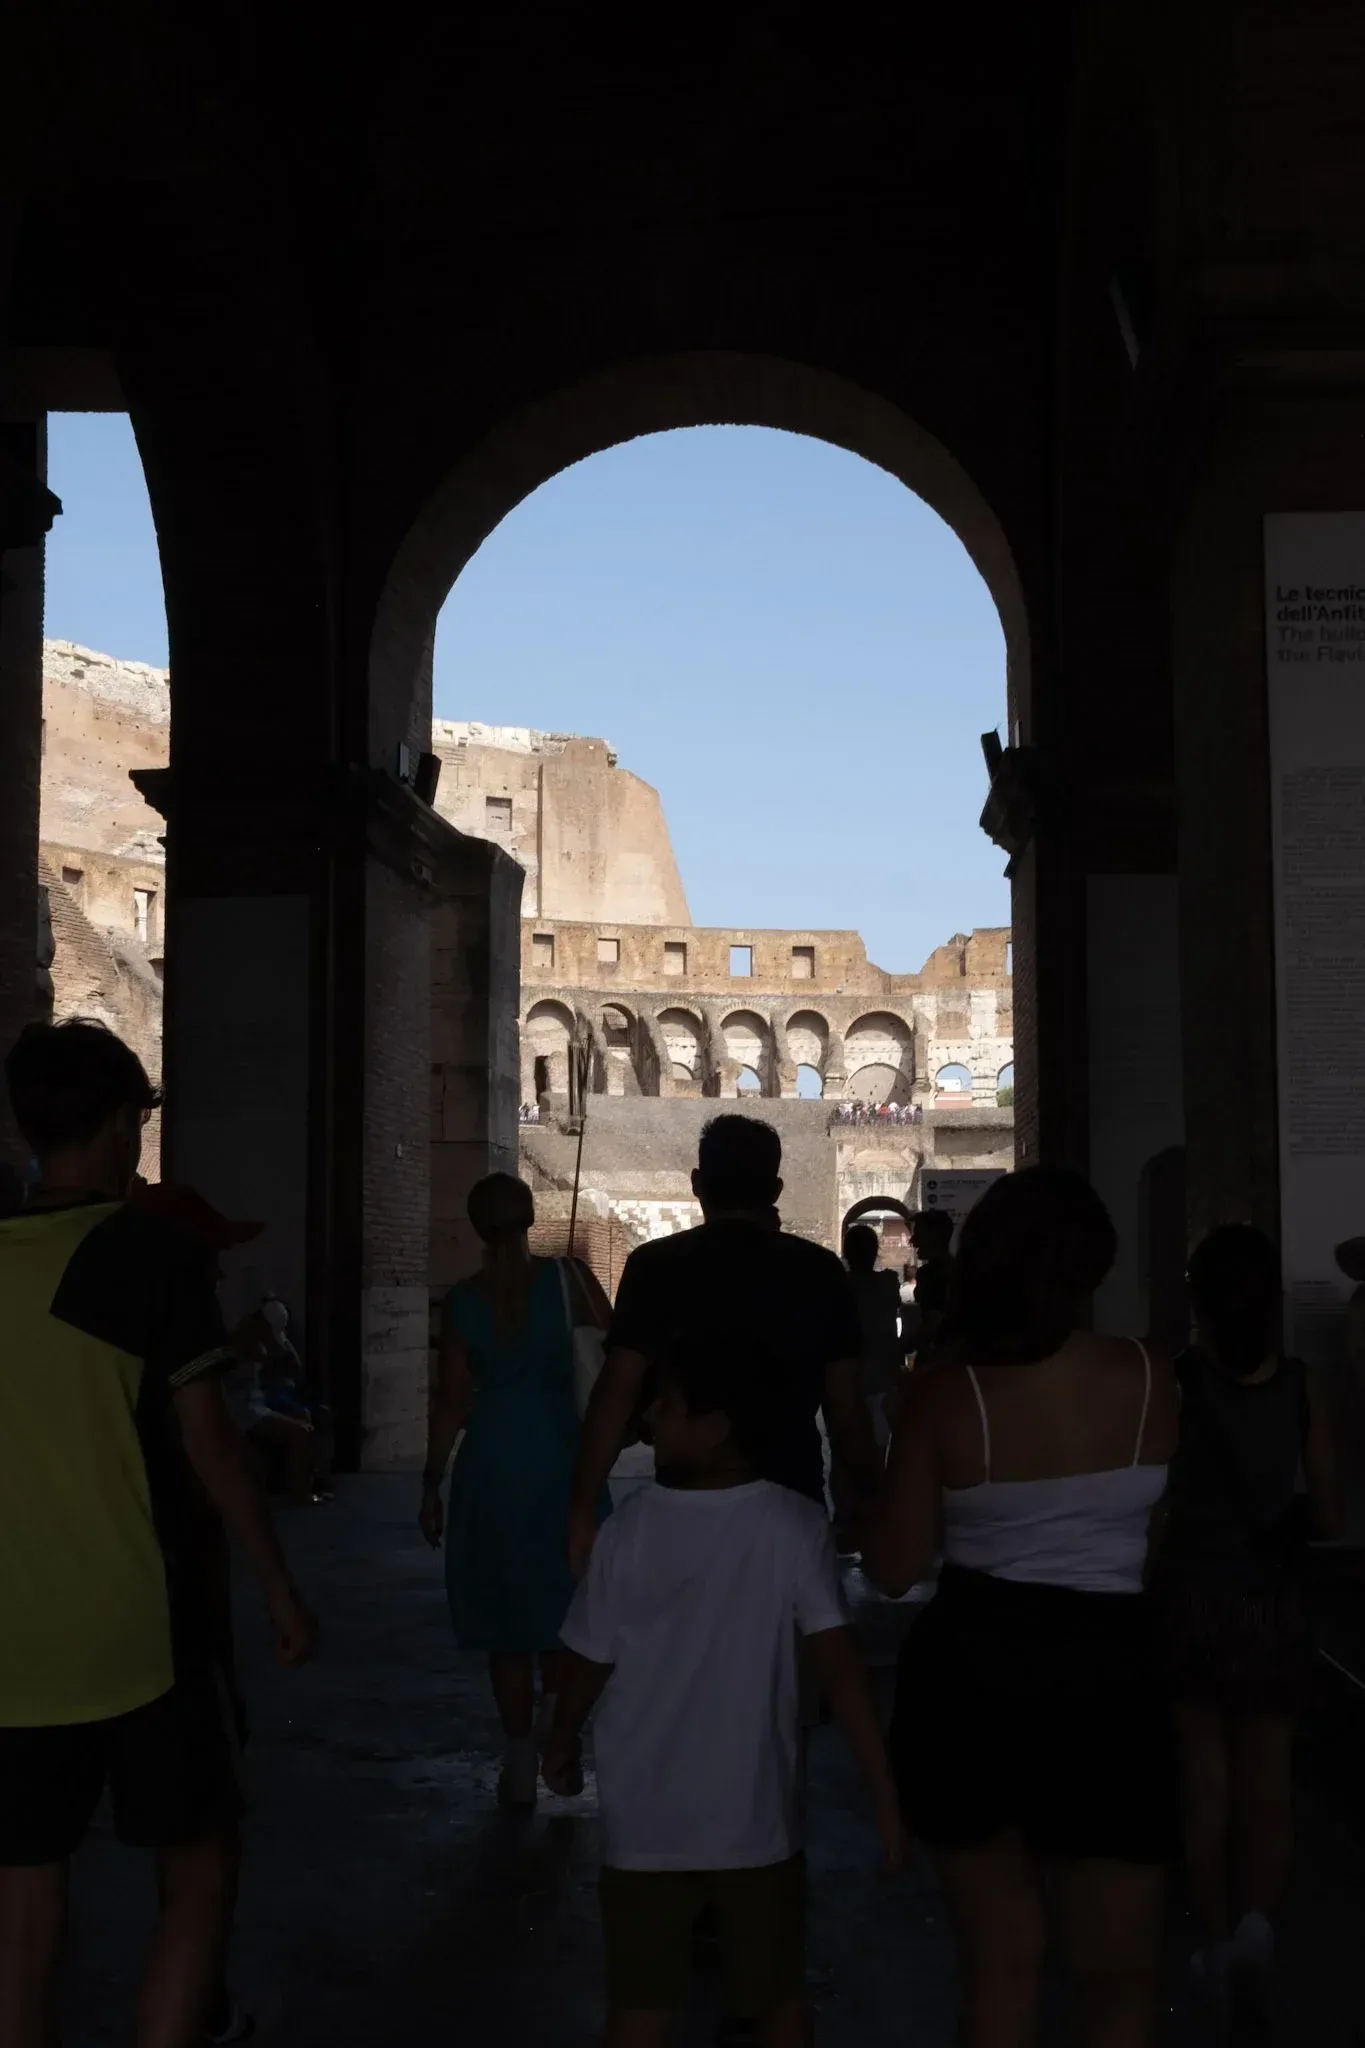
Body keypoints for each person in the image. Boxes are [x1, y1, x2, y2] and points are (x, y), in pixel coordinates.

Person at [0, 1020, 316, 2048]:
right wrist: (278, 1584)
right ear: (118, 1123)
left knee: (24, 1894)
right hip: (141, 1626)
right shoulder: (145, 1251)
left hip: (12, 1635)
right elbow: (211, 1442)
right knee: (198, 1863)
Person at [861, 1167, 1179, 2048]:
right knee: (1118, 1976)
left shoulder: (947, 1394)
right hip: (1110, 1676)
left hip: (975, 1674)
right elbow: (1155, 1536)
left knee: (999, 1970)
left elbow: (892, 1568)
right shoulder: (1149, 1376)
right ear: (1093, 1265)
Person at [543, 1334, 903, 2048]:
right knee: (775, 2000)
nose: (650, 1419)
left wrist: (558, 1742)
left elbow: (584, 1660)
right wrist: (886, 1804)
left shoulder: (629, 1529)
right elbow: (842, 1674)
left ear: (716, 1427)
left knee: (641, 2006)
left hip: (645, 1824)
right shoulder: (792, 1525)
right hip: (754, 1821)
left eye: (667, 1406)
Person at [1152, 1224, 1339, 2023]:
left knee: (1204, 1784)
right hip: (1272, 1603)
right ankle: (1257, 1932)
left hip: (1192, 1597)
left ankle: (1212, 1941)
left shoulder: (1175, 1381)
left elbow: (1154, 1501)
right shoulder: (1301, 1386)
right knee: (1268, 1784)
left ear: (1197, 1299)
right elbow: (1328, 1513)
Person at [569, 1115, 878, 1577]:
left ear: (697, 1183)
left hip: (686, 1498)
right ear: (775, 1190)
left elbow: (615, 1394)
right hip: (791, 1497)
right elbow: (846, 1412)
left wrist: (581, 1507)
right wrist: (872, 1504)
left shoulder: (654, 1266)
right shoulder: (819, 1270)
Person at [421, 1172, 611, 1806]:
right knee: (559, 1609)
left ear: (477, 1227)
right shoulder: (571, 1279)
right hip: (564, 1460)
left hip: (492, 1466)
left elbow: (452, 1401)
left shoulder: (464, 1301)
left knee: (504, 1625)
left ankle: (519, 1759)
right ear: (531, 1217)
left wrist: (431, 1481)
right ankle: (558, 1721)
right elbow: (613, 1356)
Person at [238, 1296, 332, 1505]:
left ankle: (308, 1481)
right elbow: (274, 1359)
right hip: (241, 1408)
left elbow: (291, 1364)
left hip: (255, 1402)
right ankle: (300, 1491)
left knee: (304, 1417)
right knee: (301, 1431)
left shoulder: (257, 1336)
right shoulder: (246, 1339)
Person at [842, 1222, 904, 1450]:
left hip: (846, 1377)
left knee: (846, 1449)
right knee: (879, 1445)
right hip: (883, 1373)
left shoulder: (840, 1285)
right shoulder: (888, 1282)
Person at [909, 1208, 955, 1359]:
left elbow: (934, 1319)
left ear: (932, 1237)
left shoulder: (930, 1273)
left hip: (936, 1355)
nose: (912, 1241)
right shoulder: (958, 1267)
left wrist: (909, 1343)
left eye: (918, 1234)